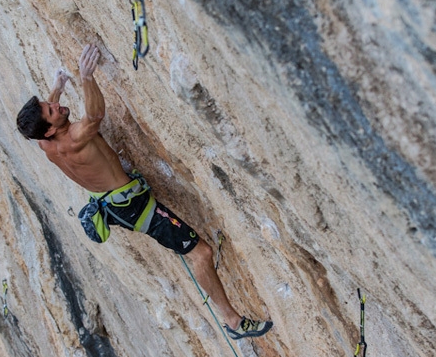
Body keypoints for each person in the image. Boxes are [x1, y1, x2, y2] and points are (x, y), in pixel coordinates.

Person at [16, 44, 272, 339]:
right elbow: (95, 115)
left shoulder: (45, 144)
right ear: (50, 129)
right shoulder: (74, 137)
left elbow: (47, 116)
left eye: (52, 105)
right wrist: (86, 77)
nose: (58, 107)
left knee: (197, 250)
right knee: (200, 252)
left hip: (114, 204)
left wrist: (57, 88)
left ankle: (232, 319)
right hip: (137, 209)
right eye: (53, 111)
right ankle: (233, 322)